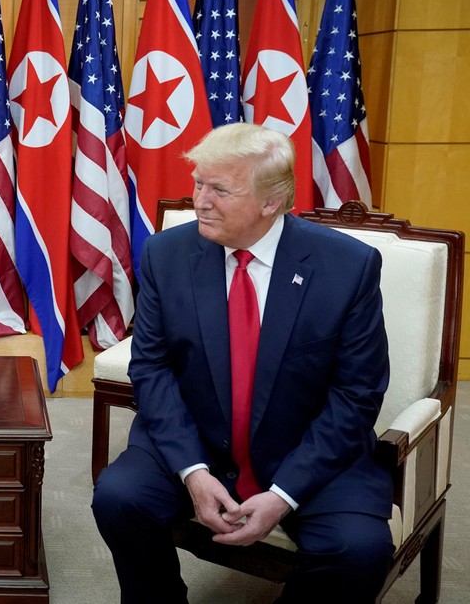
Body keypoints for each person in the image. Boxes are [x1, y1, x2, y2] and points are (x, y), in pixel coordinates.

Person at [91, 123, 393, 603]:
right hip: (199, 438)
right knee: (119, 499)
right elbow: (151, 367)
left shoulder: (347, 267)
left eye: (220, 190)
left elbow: (357, 393)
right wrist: (192, 469)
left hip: (304, 450)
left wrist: (284, 494)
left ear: (270, 202)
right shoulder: (166, 254)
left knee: (359, 552)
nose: (199, 201)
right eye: (198, 183)